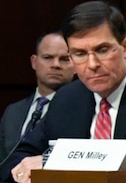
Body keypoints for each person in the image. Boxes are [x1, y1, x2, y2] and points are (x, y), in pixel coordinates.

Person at [5, 1, 126, 181]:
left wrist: (53, 163)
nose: (92, 64)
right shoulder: (68, 97)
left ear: (125, 47)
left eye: (102, 50)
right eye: (79, 54)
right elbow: (16, 160)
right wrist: (23, 170)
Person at [3, 31, 77, 162]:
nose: (56, 65)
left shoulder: (82, 110)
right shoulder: (13, 112)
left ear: (76, 66)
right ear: (34, 62)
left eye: (65, 59)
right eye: (48, 57)